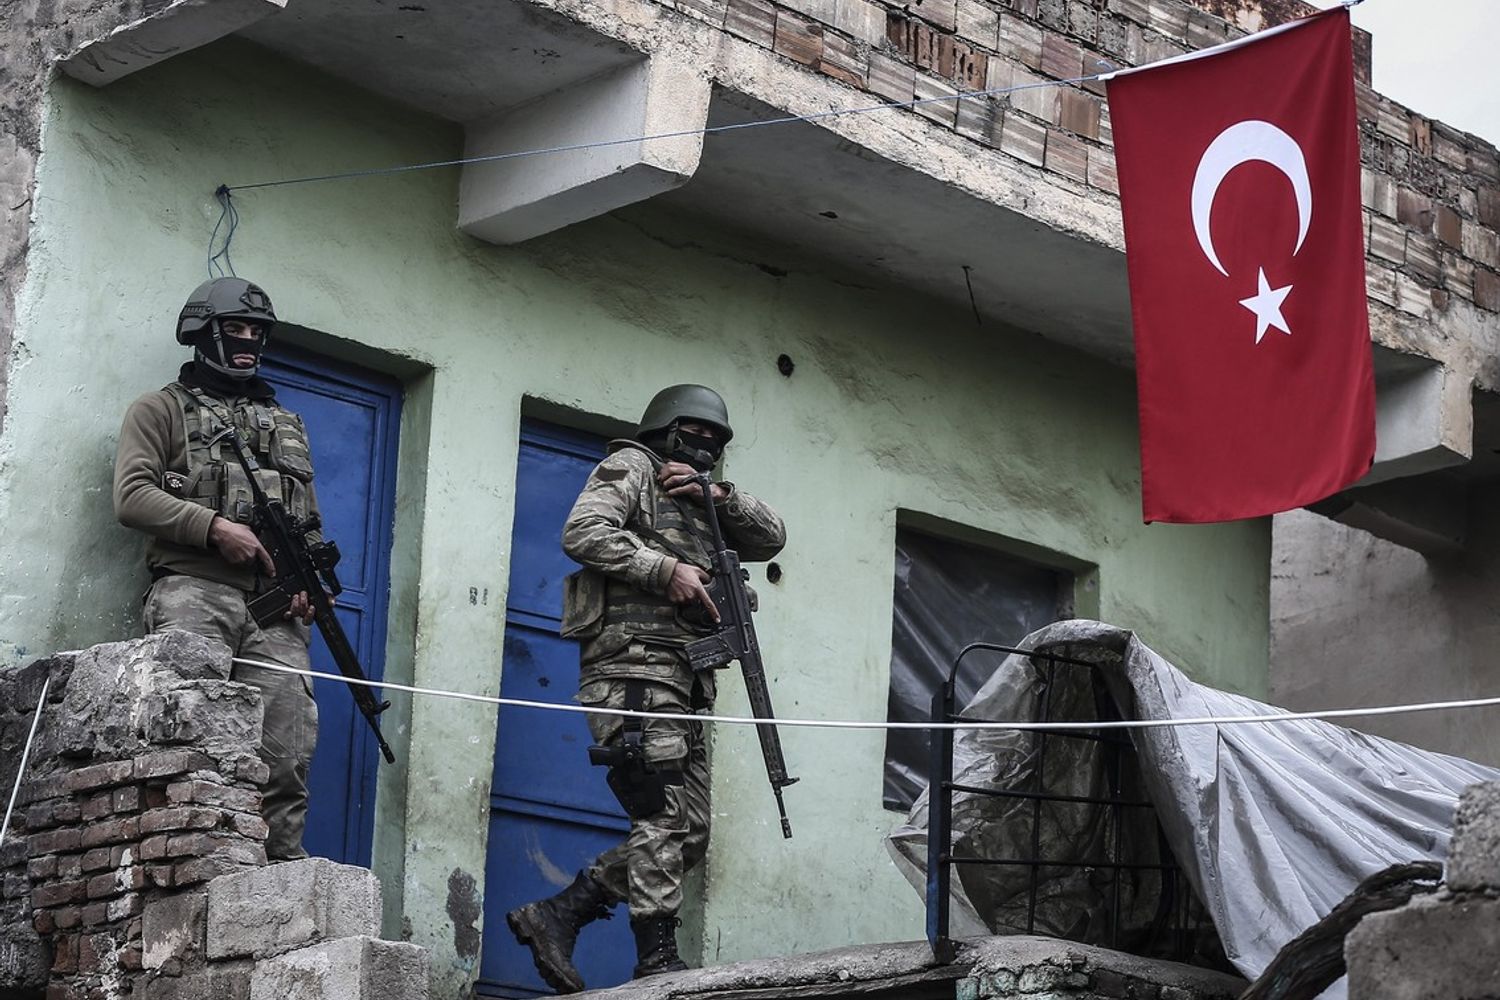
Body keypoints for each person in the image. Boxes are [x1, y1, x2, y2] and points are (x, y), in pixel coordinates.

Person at [508, 384, 786, 992]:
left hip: (688, 677)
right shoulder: (631, 466)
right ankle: (656, 958)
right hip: (634, 667)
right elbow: (583, 531)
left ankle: (562, 912)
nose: (705, 442)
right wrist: (664, 569)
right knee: (661, 812)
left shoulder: (706, 498)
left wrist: (719, 494)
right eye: (694, 431)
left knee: (692, 831)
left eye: (715, 437)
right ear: (665, 428)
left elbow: (772, 537)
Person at [113, 277, 321, 862]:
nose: (249, 340)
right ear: (203, 332)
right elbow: (131, 497)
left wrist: (308, 584)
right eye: (236, 328)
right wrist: (213, 527)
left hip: (275, 610)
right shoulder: (159, 409)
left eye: (257, 330)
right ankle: (179, 865)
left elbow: (307, 518)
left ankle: (279, 872)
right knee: (189, 740)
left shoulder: (287, 422)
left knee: (286, 756)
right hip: (194, 593)